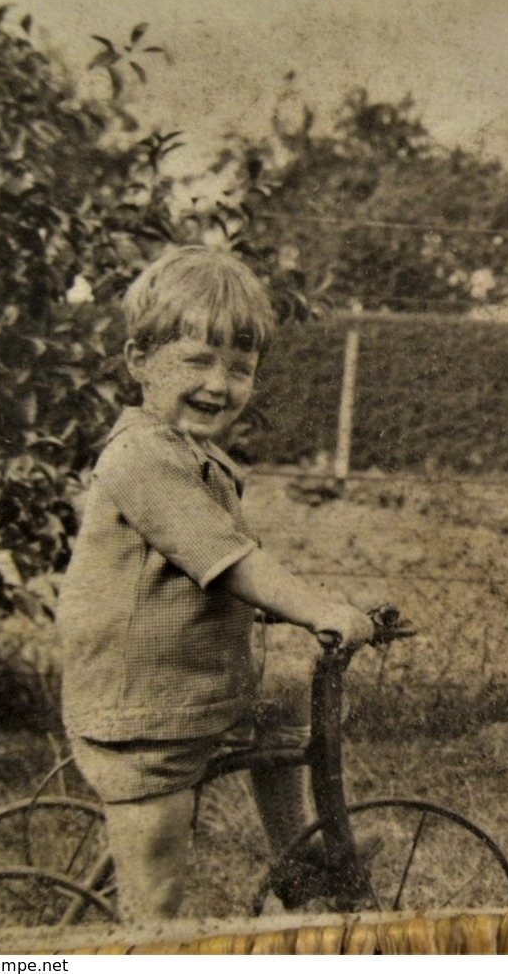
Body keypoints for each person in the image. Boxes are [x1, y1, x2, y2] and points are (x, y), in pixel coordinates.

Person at [58, 245, 376, 921]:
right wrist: (321, 608)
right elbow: (230, 562)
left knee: (280, 712)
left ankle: (297, 861)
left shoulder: (191, 453)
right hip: (144, 716)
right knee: (157, 897)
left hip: (189, 692)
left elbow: (235, 568)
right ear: (139, 362)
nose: (219, 383)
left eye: (240, 367)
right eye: (197, 361)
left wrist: (326, 608)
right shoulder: (143, 457)